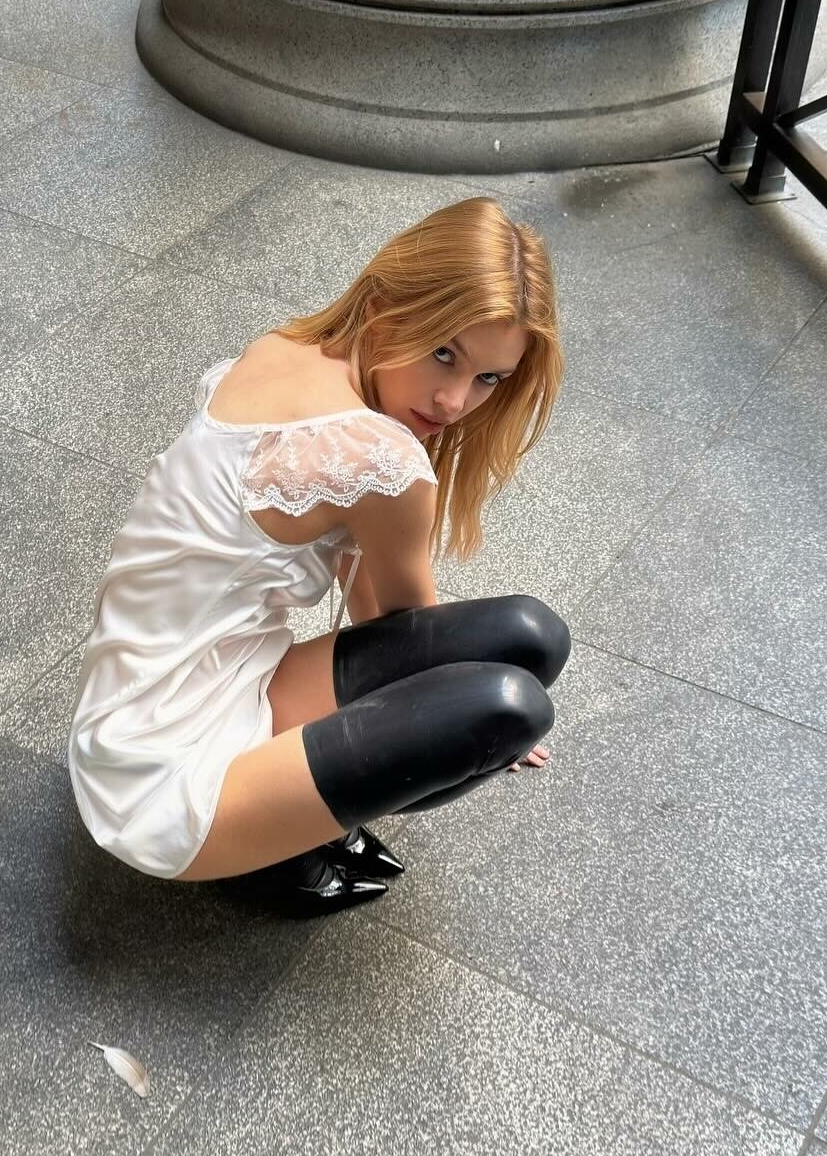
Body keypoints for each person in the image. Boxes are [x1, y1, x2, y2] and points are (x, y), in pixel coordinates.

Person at [67, 195, 571, 915]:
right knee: (509, 707)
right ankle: (264, 850)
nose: (455, 401)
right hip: (160, 783)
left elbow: (386, 612)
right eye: (444, 352)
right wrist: (472, 728)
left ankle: (290, 811)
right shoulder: (384, 460)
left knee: (532, 637)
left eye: (489, 377)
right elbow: (416, 640)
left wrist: (467, 703)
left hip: (172, 692)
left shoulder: (288, 349)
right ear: (387, 303)